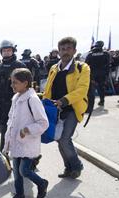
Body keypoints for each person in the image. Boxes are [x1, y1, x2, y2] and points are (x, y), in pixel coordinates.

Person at [43, 37, 90, 179]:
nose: (65, 52)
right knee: (58, 139)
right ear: (58, 51)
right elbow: (48, 89)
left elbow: (82, 90)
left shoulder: (82, 68)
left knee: (64, 139)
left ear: (74, 51)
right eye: (62, 49)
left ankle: (76, 165)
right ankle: (68, 168)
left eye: (68, 48)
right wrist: (43, 101)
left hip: (72, 109)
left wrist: (64, 100)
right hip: (55, 110)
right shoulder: (54, 68)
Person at [4, 69, 49, 198]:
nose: (12, 85)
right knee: (16, 173)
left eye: (15, 83)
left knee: (24, 170)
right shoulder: (16, 98)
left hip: (27, 143)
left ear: (25, 83)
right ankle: (19, 194)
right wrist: (8, 141)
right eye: (12, 82)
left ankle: (42, 183)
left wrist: (27, 130)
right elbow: (11, 120)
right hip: (16, 142)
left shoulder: (32, 99)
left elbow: (43, 123)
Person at [0, 39, 26, 151]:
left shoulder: (20, 66)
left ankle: (4, 155)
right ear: (1, 52)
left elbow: (27, 85)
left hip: (15, 103)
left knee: (6, 129)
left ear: (13, 51)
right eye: (4, 50)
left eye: (9, 50)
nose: (6, 52)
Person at [85, 40, 111, 108]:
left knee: (91, 89)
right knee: (101, 88)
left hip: (93, 74)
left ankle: (90, 105)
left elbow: (86, 65)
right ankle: (102, 101)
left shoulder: (90, 54)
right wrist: (107, 75)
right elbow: (108, 65)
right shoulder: (106, 53)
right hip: (102, 73)